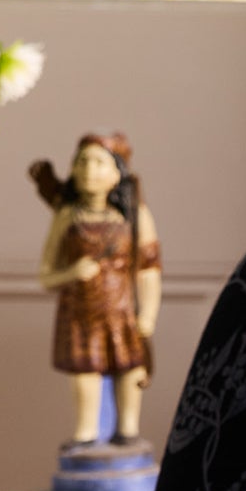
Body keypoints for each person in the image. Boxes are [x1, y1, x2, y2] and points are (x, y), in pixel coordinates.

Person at [30, 133, 160, 449]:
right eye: (83, 161)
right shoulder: (68, 216)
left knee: (129, 367)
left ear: (118, 173)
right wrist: (72, 272)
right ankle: (86, 433)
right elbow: (46, 274)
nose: (90, 169)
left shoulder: (134, 214)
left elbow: (149, 268)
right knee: (85, 371)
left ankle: (127, 429)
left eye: (99, 162)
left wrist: (149, 314)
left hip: (122, 309)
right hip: (80, 313)